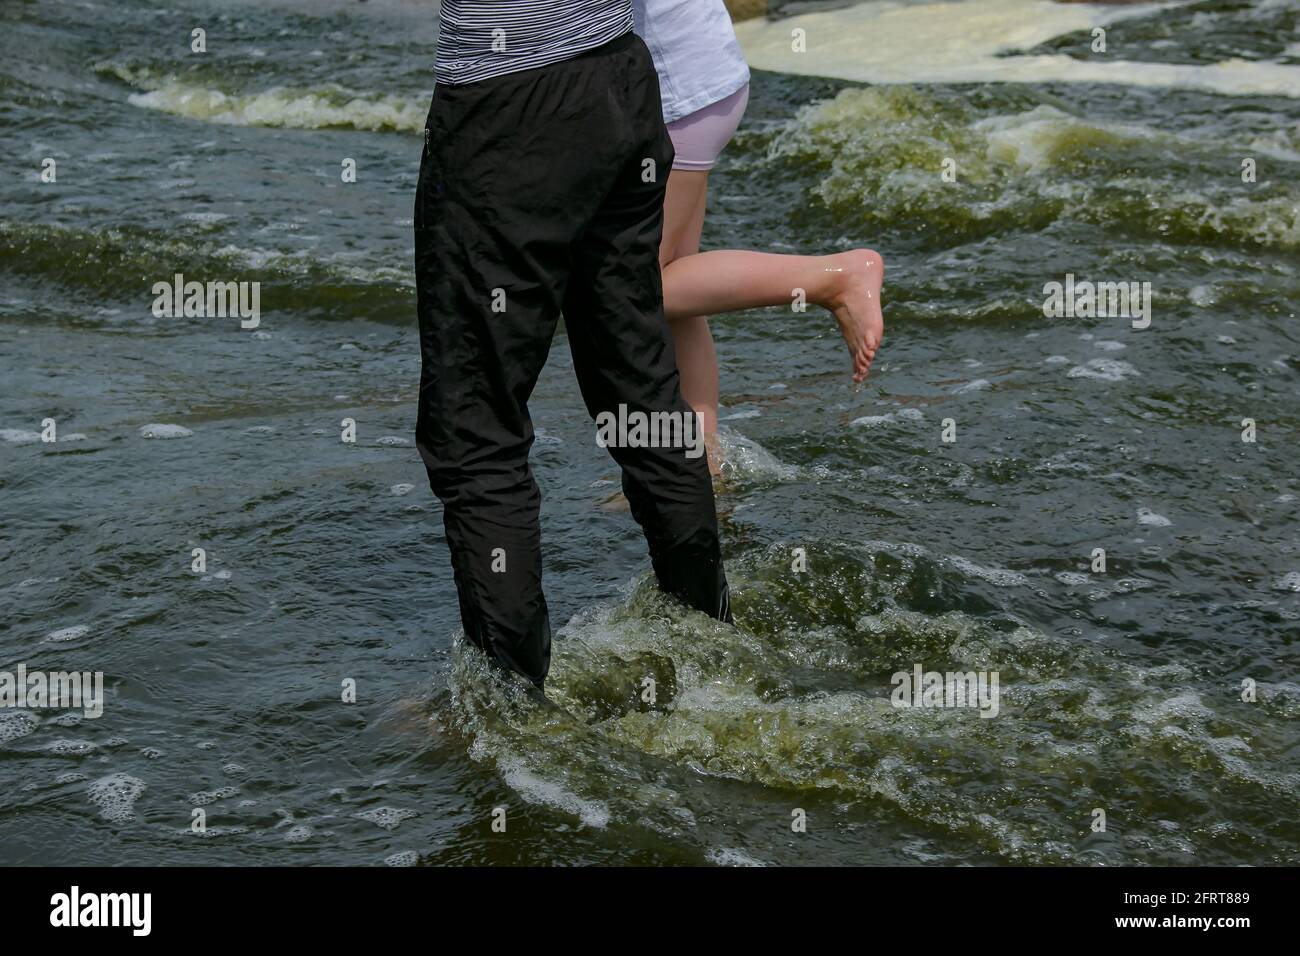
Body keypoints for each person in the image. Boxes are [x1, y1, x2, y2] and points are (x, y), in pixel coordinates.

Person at [415, 0, 733, 693]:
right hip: (618, 79)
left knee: (475, 427)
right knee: (643, 391)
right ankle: (714, 646)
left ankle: (511, 706)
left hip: (508, 98)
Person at [634, 0, 886, 474]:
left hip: (675, 95)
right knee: (676, 286)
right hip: (697, 80)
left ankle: (832, 278)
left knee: (638, 288)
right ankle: (703, 463)